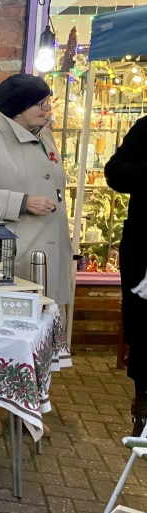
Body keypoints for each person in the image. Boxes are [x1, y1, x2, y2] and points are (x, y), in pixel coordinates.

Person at [0, 74, 72, 436]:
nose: (47, 109)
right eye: (40, 103)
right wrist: (21, 203)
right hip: (8, 255)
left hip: (47, 252)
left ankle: (29, 405)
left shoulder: (44, 138)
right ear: (18, 109)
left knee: (36, 332)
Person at [104, 115, 147, 436]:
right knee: (144, 332)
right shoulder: (146, 128)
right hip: (145, 252)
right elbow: (115, 172)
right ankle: (142, 407)